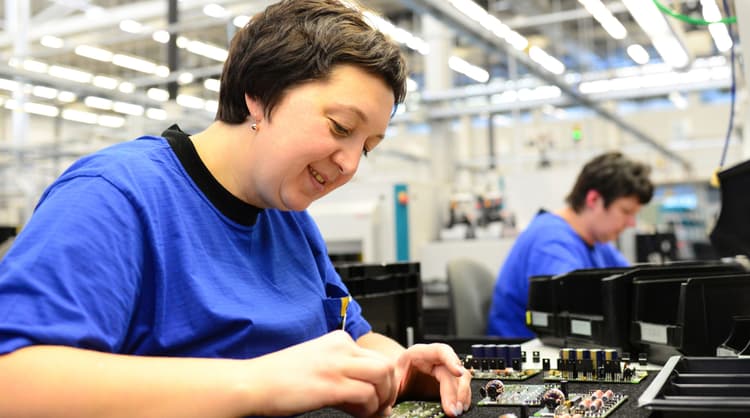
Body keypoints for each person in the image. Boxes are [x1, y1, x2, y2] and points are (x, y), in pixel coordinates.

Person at [0, 1, 471, 417]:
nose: (350, 164)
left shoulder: (289, 219)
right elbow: (14, 383)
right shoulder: (115, 196)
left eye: (367, 147)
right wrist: (260, 382)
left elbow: (353, 339)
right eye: (339, 126)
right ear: (259, 95)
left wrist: (402, 366)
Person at [486, 151, 653, 338]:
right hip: (524, 355)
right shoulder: (550, 243)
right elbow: (575, 319)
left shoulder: (598, 243)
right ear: (594, 200)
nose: (631, 223)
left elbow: (634, 287)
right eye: (626, 211)